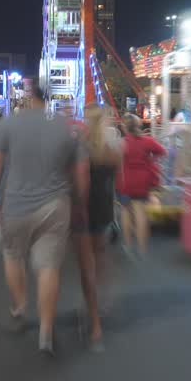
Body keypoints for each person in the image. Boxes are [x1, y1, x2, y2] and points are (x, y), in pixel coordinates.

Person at [0, 79, 89, 357]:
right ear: (49, 98)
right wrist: (79, 203)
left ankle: (19, 309)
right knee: (48, 267)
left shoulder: (7, 124)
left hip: (15, 205)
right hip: (55, 206)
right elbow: (81, 172)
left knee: (13, 256)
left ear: (28, 98)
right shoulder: (66, 126)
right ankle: (45, 332)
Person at [78, 105, 121, 349]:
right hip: (104, 208)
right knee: (100, 255)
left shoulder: (82, 147)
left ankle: (93, 321)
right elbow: (117, 178)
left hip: (84, 210)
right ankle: (103, 299)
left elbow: (81, 182)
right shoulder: (111, 150)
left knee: (86, 265)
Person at [116, 113, 165, 258]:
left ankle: (128, 246)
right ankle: (142, 249)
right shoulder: (147, 141)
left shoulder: (121, 143)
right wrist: (150, 160)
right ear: (138, 125)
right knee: (140, 213)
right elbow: (163, 152)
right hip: (142, 181)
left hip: (124, 181)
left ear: (124, 127)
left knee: (125, 211)